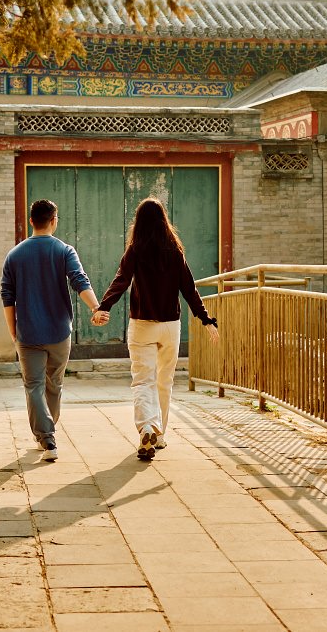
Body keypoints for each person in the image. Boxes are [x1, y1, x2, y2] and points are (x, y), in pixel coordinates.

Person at [93, 197, 220, 461]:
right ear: (164, 221)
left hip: (142, 326)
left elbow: (121, 281)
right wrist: (205, 319)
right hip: (170, 327)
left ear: (138, 222)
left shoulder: (135, 250)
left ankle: (147, 427)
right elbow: (189, 288)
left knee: (143, 380)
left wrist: (103, 307)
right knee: (164, 381)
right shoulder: (175, 251)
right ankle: (159, 435)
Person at [1, 199, 102, 462]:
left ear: (32, 220)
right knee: (54, 384)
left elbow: (7, 296)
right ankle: (48, 433)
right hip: (59, 332)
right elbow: (80, 280)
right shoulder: (64, 250)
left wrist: (14, 331)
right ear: (54, 221)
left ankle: (46, 438)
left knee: (33, 386)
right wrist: (95, 307)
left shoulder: (15, 255)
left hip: (28, 333)